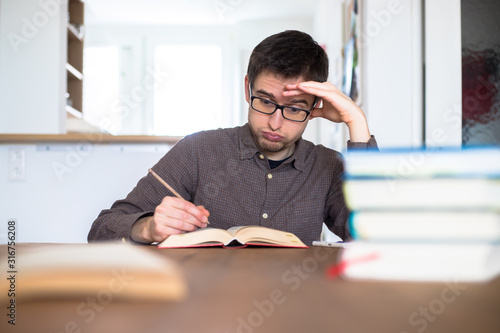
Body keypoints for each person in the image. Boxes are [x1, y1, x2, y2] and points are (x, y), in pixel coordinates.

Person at [88, 30, 377, 246]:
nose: (275, 123)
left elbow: (380, 238)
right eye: (264, 101)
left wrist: (357, 124)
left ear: (314, 107)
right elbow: (101, 230)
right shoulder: (197, 150)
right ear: (247, 90)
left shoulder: (326, 166)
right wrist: (148, 227)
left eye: (294, 109)